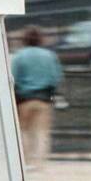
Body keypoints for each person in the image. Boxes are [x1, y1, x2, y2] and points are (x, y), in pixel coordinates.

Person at [11, 26, 63, 169]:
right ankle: (39, 163)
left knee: (23, 131)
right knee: (41, 133)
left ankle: (26, 161)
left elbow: (13, 78)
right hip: (44, 99)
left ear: (24, 40)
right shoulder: (50, 56)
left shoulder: (19, 56)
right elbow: (56, 77)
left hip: (24, 99)